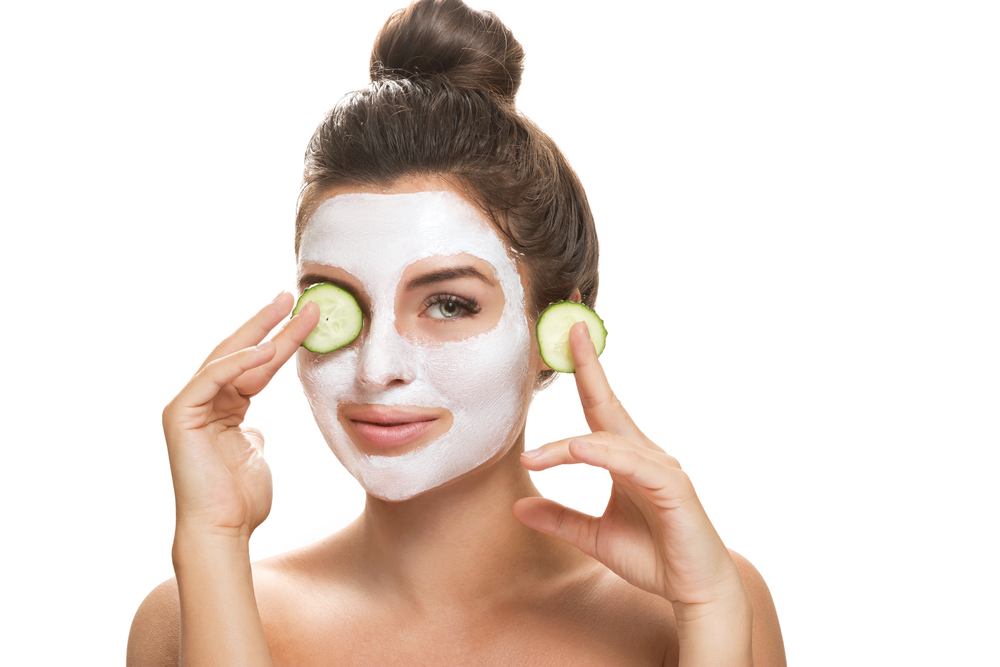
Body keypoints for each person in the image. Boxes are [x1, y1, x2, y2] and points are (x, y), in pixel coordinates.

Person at [127, 1, 785, 664]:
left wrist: (712, 614)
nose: (376, 366)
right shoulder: (194, 610)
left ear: (556, 329)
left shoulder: (696, 602)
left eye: (447, 304)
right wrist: (212, 537)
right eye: (339, 303)